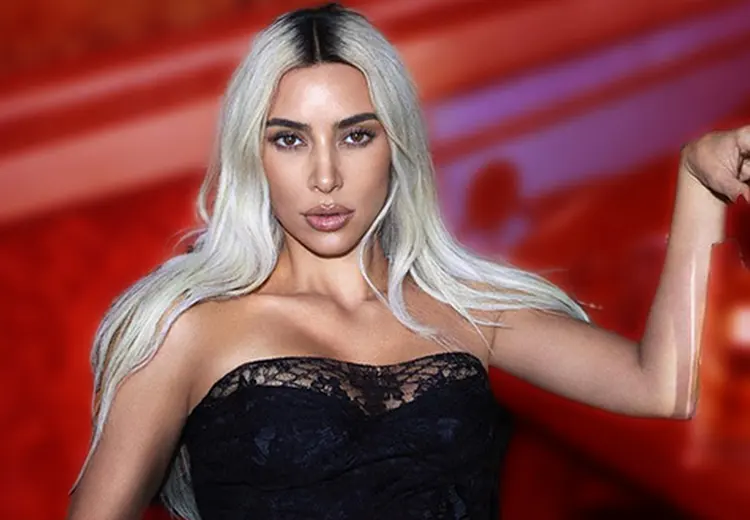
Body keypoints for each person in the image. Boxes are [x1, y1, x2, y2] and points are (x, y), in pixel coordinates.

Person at [66, 3, 749, 520]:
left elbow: (662, 387)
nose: (325, 177)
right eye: (290, 140)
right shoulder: (188, 331)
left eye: (355, 135)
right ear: (254, 153)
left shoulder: (460, 310)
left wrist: (698, 182)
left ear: (396, 145)